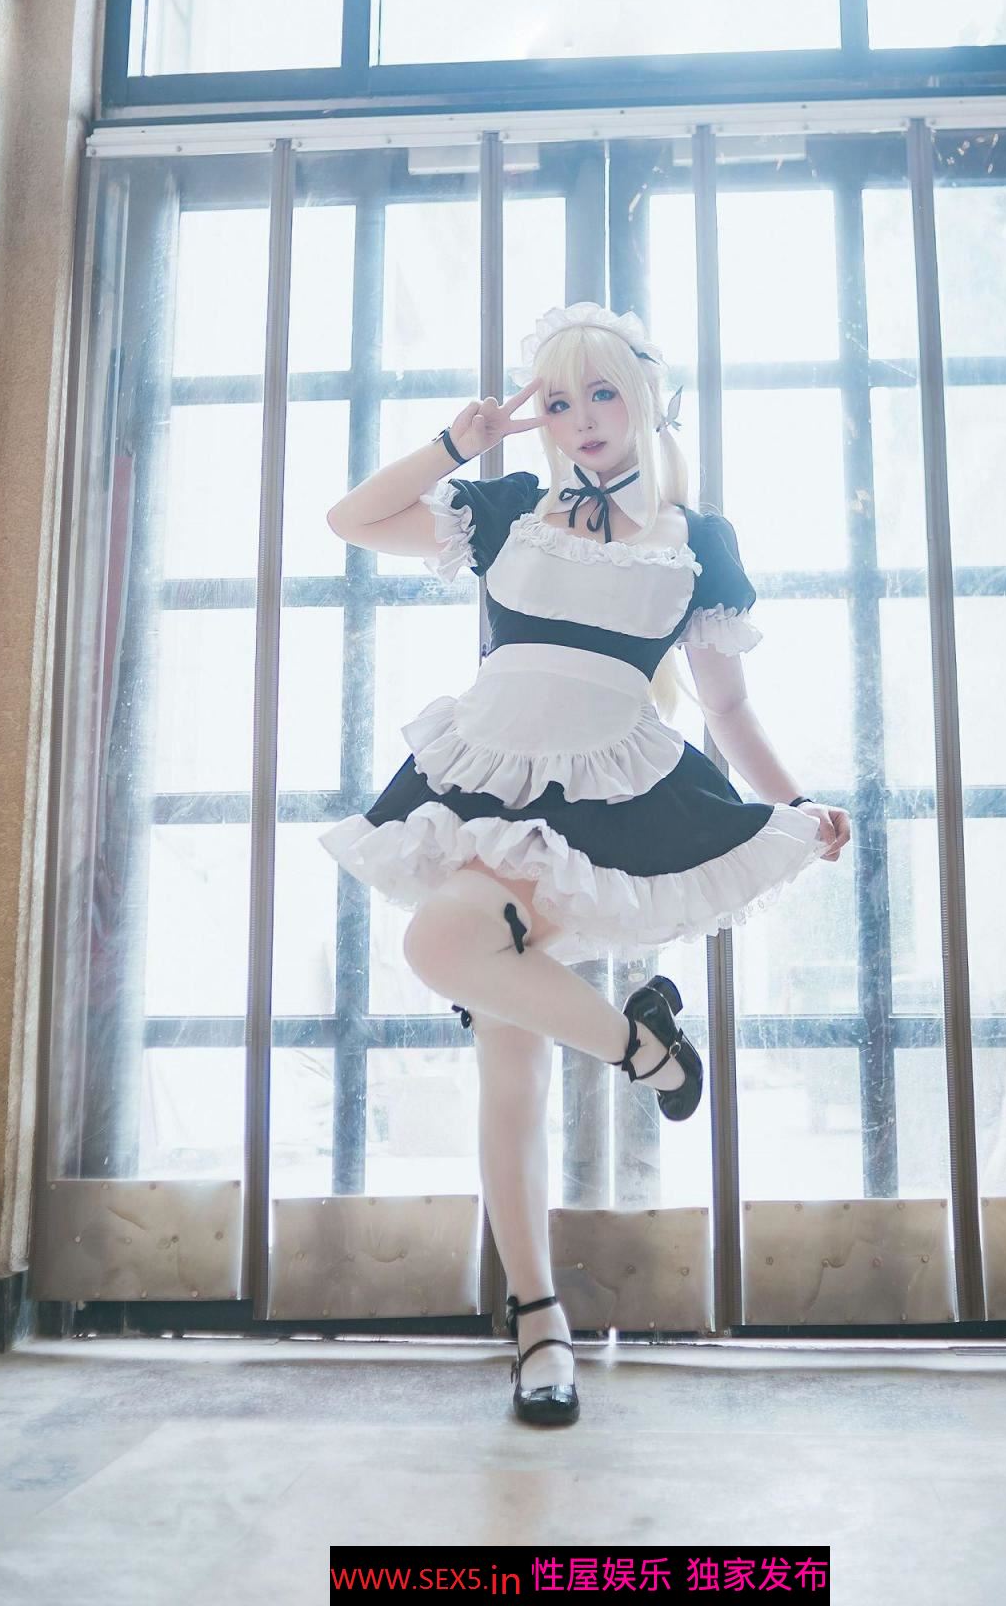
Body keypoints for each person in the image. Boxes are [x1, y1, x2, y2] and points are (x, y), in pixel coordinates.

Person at [321, 300, 851, 1427]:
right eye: (559, 402)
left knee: (444, 950)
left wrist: (794, 803)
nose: (583, 418)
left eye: (602, 392)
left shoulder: (697, 540)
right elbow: (351, 519)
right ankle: (542, 1323)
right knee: (504, 1066)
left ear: (646, 396)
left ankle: (640, 1062)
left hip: (608, 800)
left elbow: (728, 706)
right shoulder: (508, 508)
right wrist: (460, 441)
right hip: (480, 784)